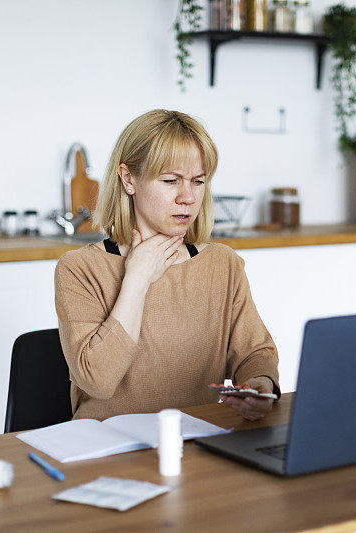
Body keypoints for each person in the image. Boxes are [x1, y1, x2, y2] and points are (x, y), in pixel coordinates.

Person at [54, 109, 280, 422]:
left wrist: (260, 384)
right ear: (128, 178)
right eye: (171, 180)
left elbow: (256, 354)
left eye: (198, 181)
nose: (187, 197)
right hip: (109, 452)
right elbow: (98, 381)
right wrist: (137, 278)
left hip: (195, 446)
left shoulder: (222, 264)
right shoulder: (80, 269)